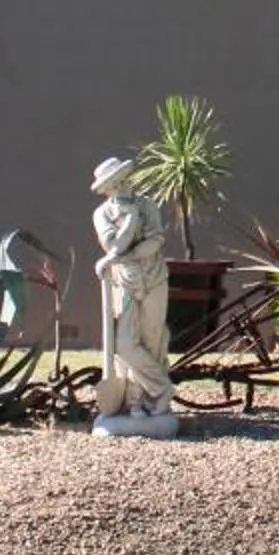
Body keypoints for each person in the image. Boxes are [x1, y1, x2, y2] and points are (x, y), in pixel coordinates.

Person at [90, 155, 174, 430]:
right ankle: (162, 388)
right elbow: (116, 244)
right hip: (124, 280)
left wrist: (124, 254)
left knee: (152, 340)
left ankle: (141, 402)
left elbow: (156, 240)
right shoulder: (102, 214)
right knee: (125, 344)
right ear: (109, 188)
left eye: (124, 178)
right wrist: (130, 219)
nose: (123, 184)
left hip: (154, 277)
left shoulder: (147, 204)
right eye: (116, 182)